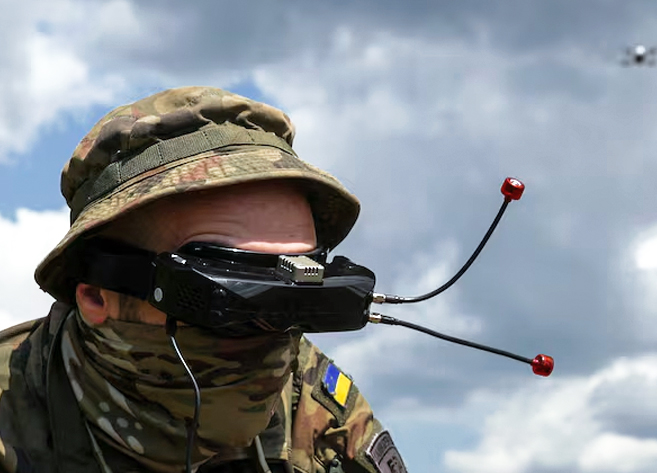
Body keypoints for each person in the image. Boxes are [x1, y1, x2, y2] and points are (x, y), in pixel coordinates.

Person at [0, 87, 407, 473]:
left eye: (296, 300)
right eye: (230, 297)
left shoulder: (315, 411)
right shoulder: (11, 415)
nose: (275, 334)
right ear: (96, 293)